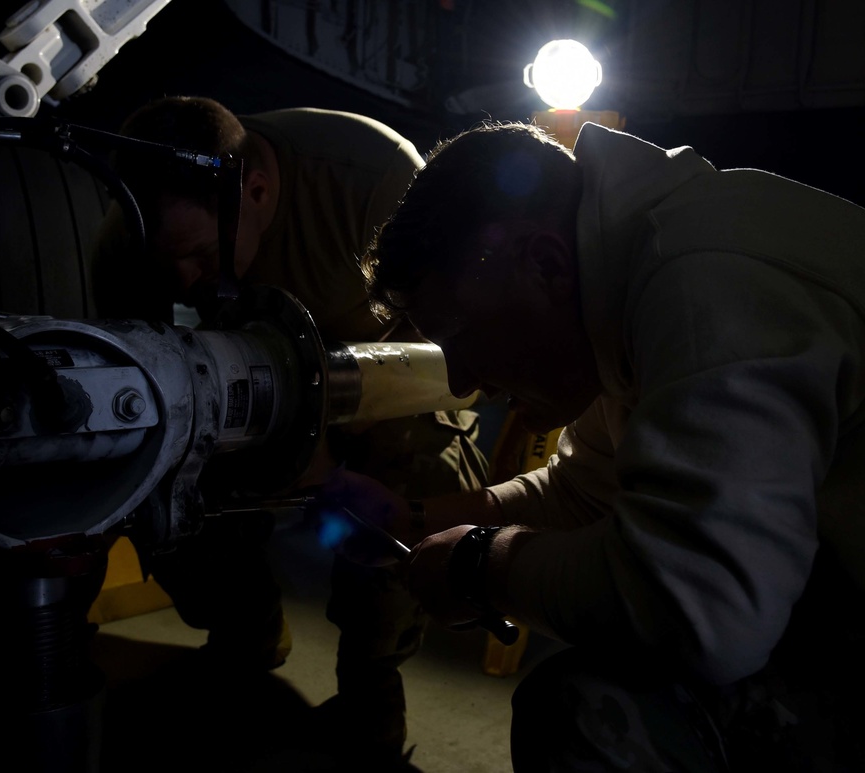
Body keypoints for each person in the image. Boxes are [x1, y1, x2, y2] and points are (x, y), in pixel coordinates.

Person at [324, 118, 865, 771]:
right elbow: (584, 489)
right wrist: (416, 520)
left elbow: (701, 609)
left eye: (463, 336)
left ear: (546, 264)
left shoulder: (699, 284)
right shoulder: (627, 275)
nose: (465, 382)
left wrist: (477, 568)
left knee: (586, 715)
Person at [91, 96, 488, 768]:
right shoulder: (129, 244)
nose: (184, 278)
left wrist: (329, 442)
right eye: (169, 265)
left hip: (380, 392)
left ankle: (370, 687)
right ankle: (243, 631)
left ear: (258, 189)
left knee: (419, 474)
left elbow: (450, 360)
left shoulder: (374, 183)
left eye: (196, 254)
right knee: (154, 468)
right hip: (239, 401)